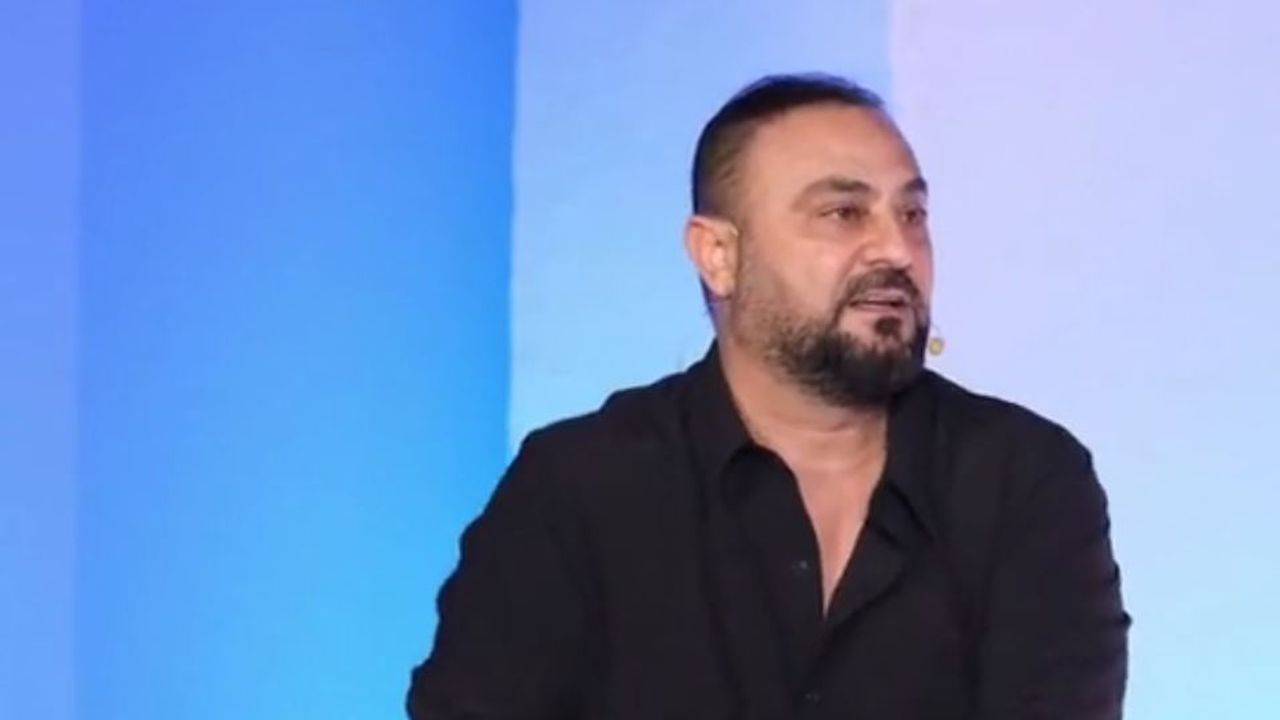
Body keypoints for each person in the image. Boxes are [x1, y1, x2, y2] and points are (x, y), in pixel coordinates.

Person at [406, 73, 1129, 719]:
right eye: (844, 213)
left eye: (912, 215)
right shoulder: (580, 487)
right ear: (718, 255)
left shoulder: (1025, 480)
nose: (897, 251)